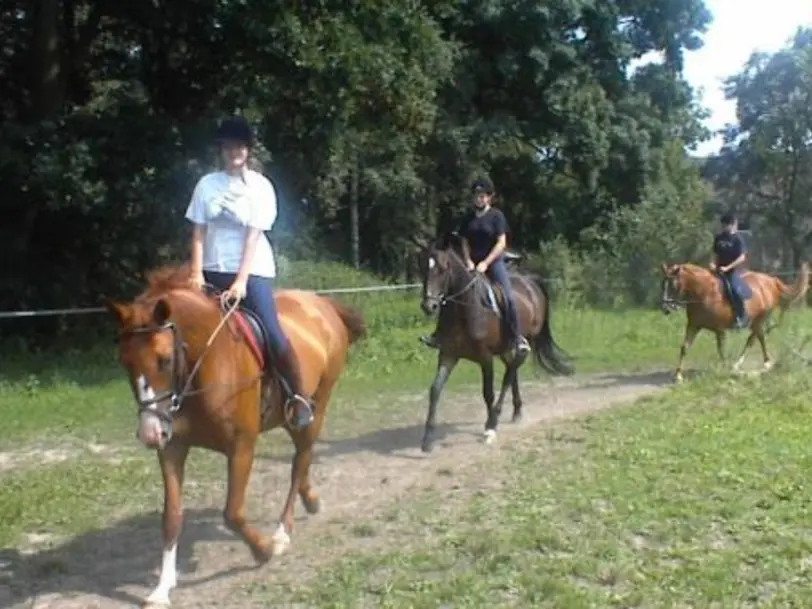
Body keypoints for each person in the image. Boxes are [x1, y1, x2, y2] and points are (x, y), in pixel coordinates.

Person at [184, 115, 314, 429]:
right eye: (228, 147)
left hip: (252, 271)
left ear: (248, 149)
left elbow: (253, 236)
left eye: (239, 146)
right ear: (221, 150)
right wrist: (196, 273)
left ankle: (298, 397)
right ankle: (181, 401)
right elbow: (199, 232)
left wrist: (241, 281)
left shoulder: (260, 187)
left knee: (272, 331)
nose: (234, 152)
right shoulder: (206, 185)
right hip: (212, 268)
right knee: (184, 332)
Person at [420, 177, 531, 355]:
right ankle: (439, 335)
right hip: (471, 263)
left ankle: (516, 338)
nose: (479, 199)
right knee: (449, 294)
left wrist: (486, 263)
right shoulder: (468, 218)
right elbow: (463, 240)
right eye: (476, 195)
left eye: (483, 196)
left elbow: (501, 243)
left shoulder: (496, 216)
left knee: (508, 297)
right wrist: (468, 260)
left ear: (489, 197)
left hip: (493, 262)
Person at [710, 211, 748, 329]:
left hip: (733, 271)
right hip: (718, 270)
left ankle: (741, 317)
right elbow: (714, 253)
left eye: (726, 225)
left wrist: (728, 267)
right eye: (723, 225)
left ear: (732, 225)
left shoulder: (737, 239)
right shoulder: (719, 238)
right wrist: (712, 263)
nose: (724, 227)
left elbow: (742, 257)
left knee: (734, 290)